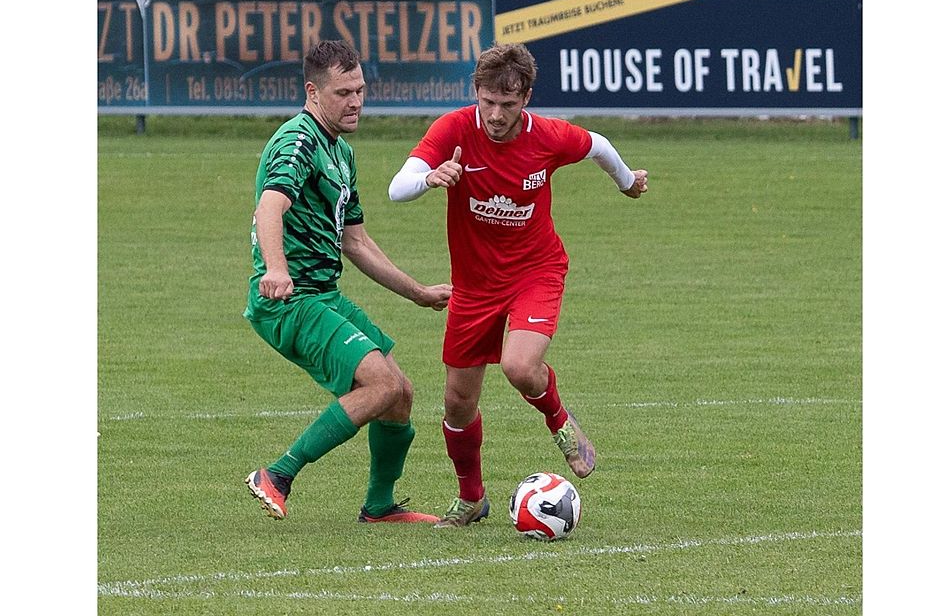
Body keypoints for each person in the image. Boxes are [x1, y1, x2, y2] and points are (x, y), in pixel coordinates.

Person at [388, 42, 649, 528]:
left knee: (519, 366)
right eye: (488, 102)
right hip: (473, 286)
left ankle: (561, 424)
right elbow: (396, 188)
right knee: (457, 403)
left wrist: (626, 182)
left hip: (536, 270)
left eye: (507, 105)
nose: (495, 115)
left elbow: (597, 144)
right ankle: (471, 499)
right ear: (476, 94)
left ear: (525, 98)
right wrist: (431, 178)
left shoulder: (548, 136)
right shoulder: (454, 130)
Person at [243, 40, 452, 524]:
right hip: (289, 301)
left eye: (360, 90)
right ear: (313, 92)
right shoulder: (299, 141)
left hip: (324, 297)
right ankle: (278, 474)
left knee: (399, 391)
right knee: (379, 385)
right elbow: (270, 205)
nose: (356, 101)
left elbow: (355, 243)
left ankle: (379, 507)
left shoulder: (340, 152)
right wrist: (276, 268)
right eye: (344, 92)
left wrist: (417, 292)